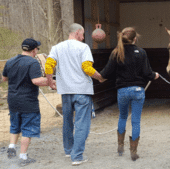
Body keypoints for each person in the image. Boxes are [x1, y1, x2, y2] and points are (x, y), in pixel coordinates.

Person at [45, 23, 104, 166]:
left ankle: (68, 150)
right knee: (81, 123)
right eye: (82, 34)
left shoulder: (56, 47)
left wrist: (50, 81)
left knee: (67, 122)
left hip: (65, 91)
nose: (83, 37)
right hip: (82, 90)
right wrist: (100, 77)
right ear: (77, 32)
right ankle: (77, 156)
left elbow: (48, 65)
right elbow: (87, 68)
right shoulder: (83, 47)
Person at [99, 27, 159, 161]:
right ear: (135, 39)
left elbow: (106, 73)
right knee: (136, 121)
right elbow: (147, 73)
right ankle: (134, 151)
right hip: (138, 90)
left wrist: (98, 77)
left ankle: (120, 146)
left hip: (123, 90)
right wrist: (155, 75)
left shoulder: (116, 52)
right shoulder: (141, 52)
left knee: (122, 117)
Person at [2, 38, 54, 167]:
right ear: (34, 50)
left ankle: (12, 147)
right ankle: (23, 157)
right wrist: (50, 82)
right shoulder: (33, 62)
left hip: (13, 99)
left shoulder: (10, 61)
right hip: (28, 101)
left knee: (15, 124)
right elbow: (36, 81)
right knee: (27, 128)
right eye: (37, 49)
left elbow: (4, 78)